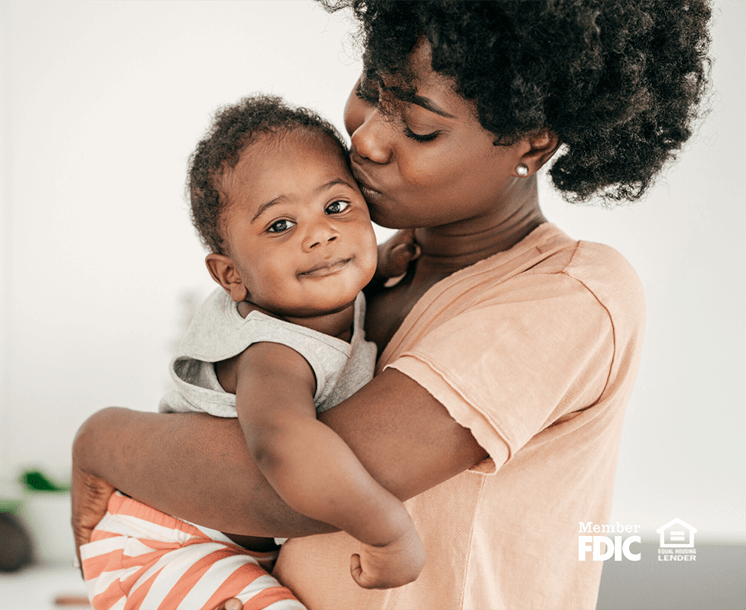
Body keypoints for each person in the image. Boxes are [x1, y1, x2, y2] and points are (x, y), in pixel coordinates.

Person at [72, 1, 711, 608]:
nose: (369, 141)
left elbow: (284, 492)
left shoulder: (571, 293)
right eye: (372, 92)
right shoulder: (358, 270)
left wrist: (103, 439)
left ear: (531, 145)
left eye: (422, 127)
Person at [78, 95, 425, 610]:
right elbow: (282, 445)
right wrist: (386, 529)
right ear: (231, 276)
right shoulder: (273, 352)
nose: (321, 234)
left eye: (336, 207)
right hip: (167, 547)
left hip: (205, 547)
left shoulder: (320, 302)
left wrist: (383, 258)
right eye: (281, 226)